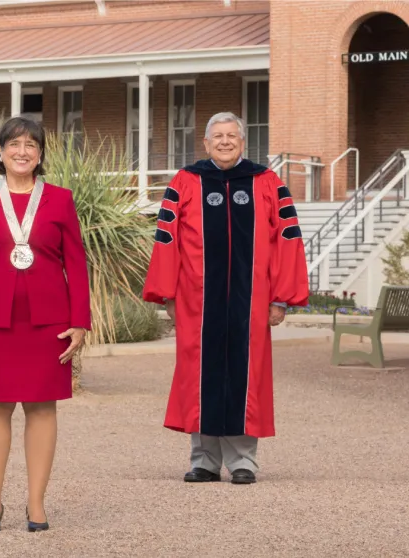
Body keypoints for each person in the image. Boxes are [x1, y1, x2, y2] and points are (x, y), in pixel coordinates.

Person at [142, 111, 308, 485]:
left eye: (232, 135)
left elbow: (288, 240)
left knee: (245, 374)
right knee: (199, 374)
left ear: (243, 141)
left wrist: (281, 298)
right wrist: (166, 293)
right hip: (196, 300)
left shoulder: (266, 182)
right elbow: (166, 238)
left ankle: (243, 461)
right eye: (217, 136)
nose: (225, 141)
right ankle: (203, 460)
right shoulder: (186, 181)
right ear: (205, 142)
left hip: (251, 300)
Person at [0, 117, 90, 533]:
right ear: (0, 152)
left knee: (42, 408)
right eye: (14, 144)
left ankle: (36, 505)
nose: (22, 151)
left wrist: (80, 321)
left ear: (41, 154)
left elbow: (77, 266)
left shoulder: (60, 200)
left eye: (31, 144)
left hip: (49, 323)